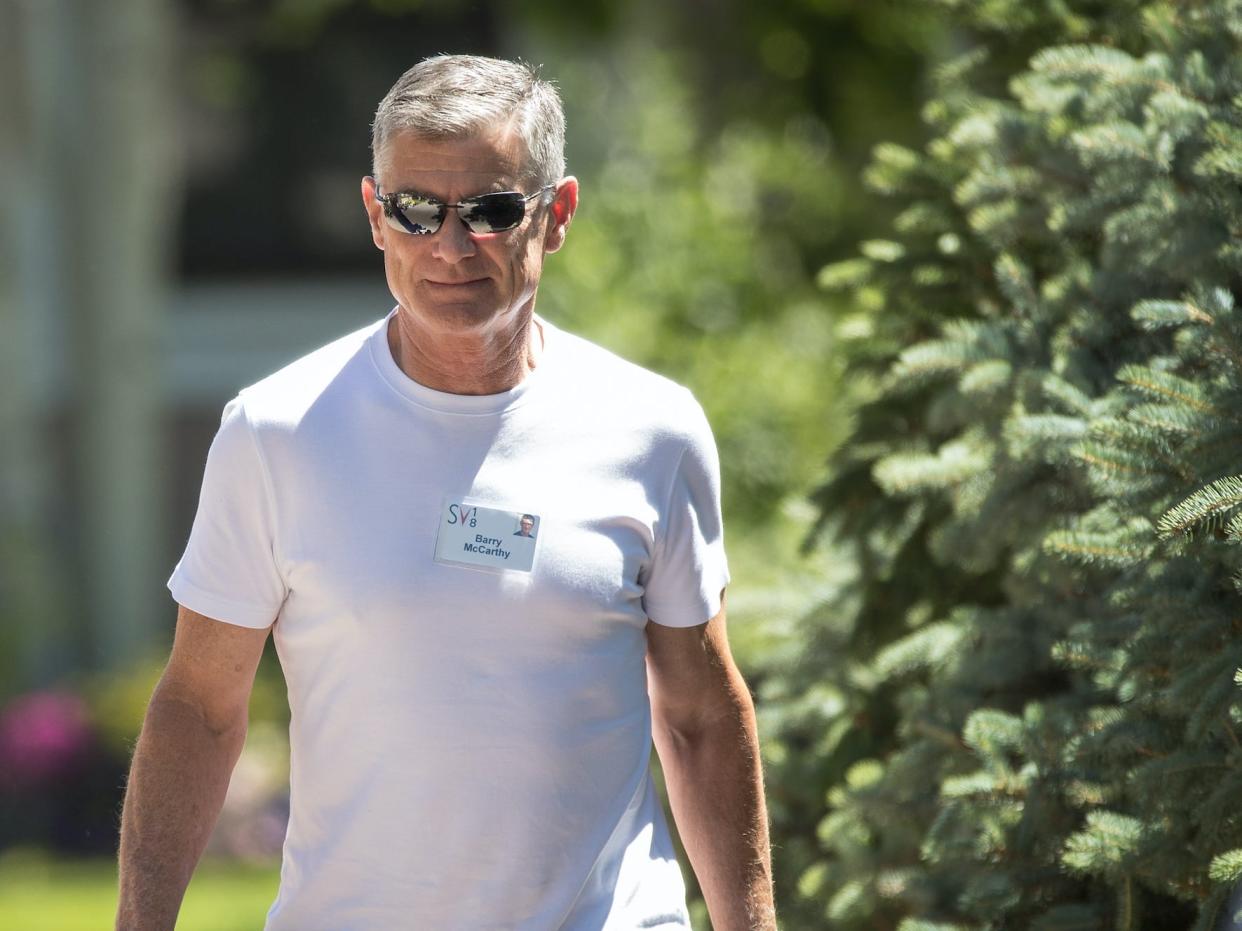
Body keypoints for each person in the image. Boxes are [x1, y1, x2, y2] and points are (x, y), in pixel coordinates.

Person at [115, 54, 774, 931]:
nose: (452, 247)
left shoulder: (653, 428)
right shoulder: (275, 433)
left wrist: (754, 922)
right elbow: (199, 708)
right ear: (376, 216)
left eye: (493, 211)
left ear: (559, 213)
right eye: (418, 210)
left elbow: (697, 709)